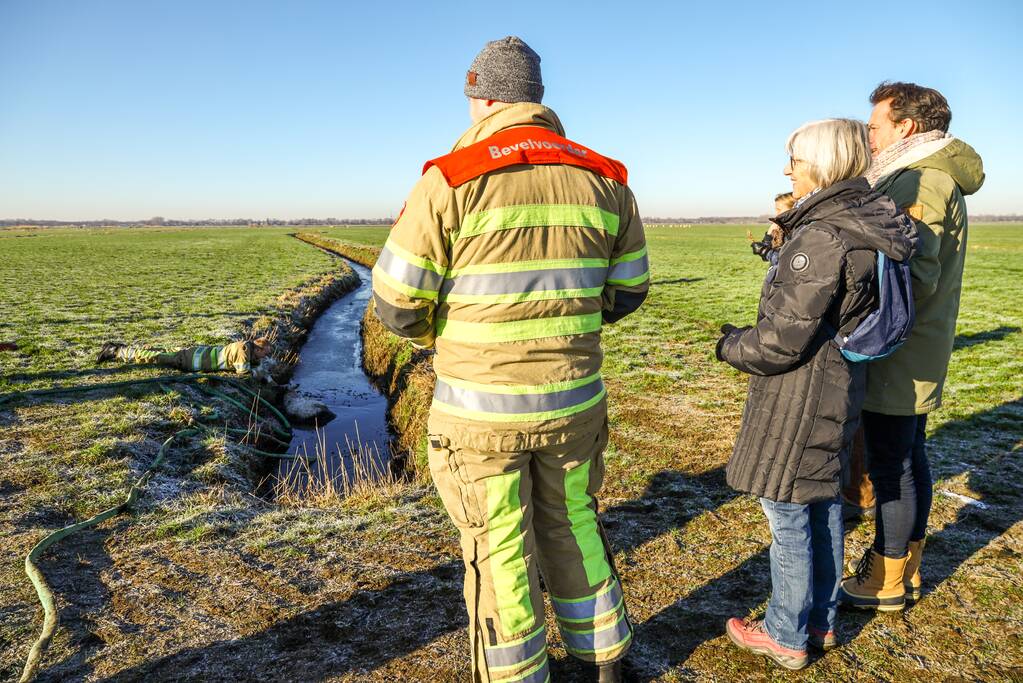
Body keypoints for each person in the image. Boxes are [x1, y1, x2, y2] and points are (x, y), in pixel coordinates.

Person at [371, 36, 648, 683]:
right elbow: (628, 289)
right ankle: (605, 660)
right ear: (536, 99)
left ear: (482, 97)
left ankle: (519, 674)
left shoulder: (450, 177)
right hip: (574, 400)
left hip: (479, 414)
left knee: (498, 544)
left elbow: (395, 302)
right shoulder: (606, 177)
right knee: (573, 519)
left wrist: (448, 327)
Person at [716, 119, 918, 669]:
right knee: (821, 502)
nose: (788, 170)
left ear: (825, 165)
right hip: (838, 385)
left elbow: (782, 340)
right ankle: (819, 621)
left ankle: (785, 632)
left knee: (786, 512)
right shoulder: (861, 221)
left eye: (797, 160)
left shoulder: (823, 234)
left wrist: (732, 345)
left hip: (802, 395)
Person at [840, 82, 985, 610]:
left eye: (875, 125)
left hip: (899, 344)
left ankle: (887, 578)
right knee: (905, 454)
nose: (869, 135)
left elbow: (912, 275)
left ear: (905, 126)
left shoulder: (921, 180)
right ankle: (904, 567)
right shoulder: (918, 175)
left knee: (891, 461)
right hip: (914, 342)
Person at [96, 338, 270, 374]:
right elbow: (243, 371)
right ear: (258, 349)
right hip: (189, 361)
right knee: (155, 357)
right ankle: (115, 352)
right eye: (264, 354)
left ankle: (120, 348)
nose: (264, 357)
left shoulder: (244, 345)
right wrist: (259, 373)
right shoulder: (243, 351)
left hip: (195, 353)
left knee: (160, 351)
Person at [750, 192, 796, 263]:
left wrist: (764, 251)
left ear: (792, 209)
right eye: (776, 209)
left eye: (779, 209)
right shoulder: (781, 230)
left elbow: (788, 262)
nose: (776, 213)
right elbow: (766, 258)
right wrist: (769, 236)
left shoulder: (795, 230)